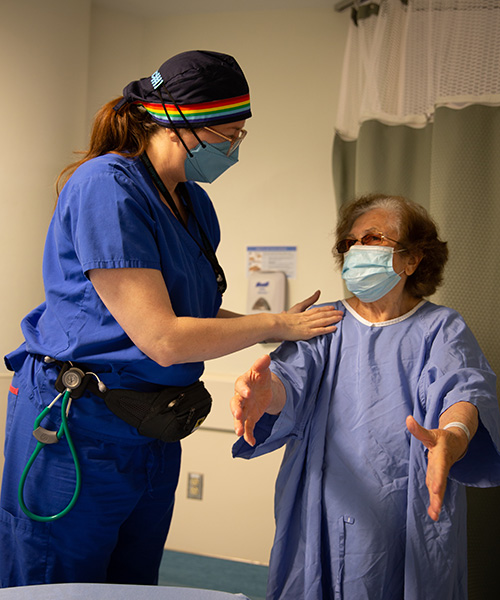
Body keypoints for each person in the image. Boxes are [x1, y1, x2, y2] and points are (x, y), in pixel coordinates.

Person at [0, 50, 342, 588]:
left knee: (133, 585)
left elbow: (195, 315)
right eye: (230, 134)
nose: (235, 148)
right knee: (59, 584)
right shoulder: (105, 187)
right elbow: (162, 337)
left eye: (241, 136)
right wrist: (275, 326)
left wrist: (281, 327)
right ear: (180, 122)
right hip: (77, 426)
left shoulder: (193, 204)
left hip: (152, 428)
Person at [231, 193, 500, 600]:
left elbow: (463, 389)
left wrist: (455, 434)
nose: (357, 249)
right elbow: (289, 384)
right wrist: (267, 394)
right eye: (349, 242)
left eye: (373, 238)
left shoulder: (440, 328)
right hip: (324, 501)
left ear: (412, 260)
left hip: (407, 508)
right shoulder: (323, 324)